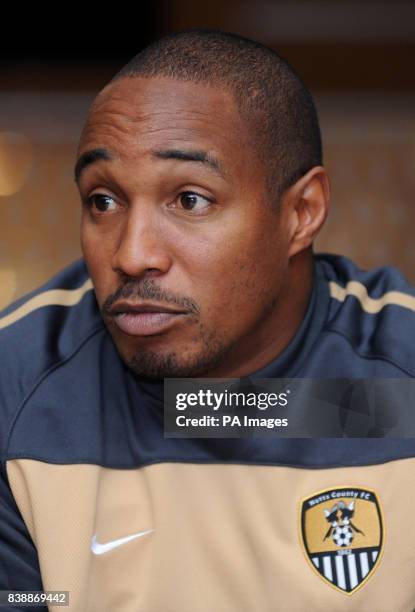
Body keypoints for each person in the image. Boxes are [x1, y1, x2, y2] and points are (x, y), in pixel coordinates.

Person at [1, 28, 414, 612]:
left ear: (301, 213)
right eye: (103, 200)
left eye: (190, 199)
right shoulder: (17, 388)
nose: (132, 254)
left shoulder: (398, 382)